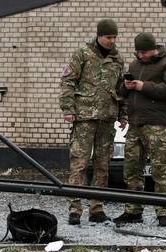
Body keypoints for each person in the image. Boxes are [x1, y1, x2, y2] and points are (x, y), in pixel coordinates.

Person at [59, 19, 127, 225]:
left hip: (107, 119)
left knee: (102, 165)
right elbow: (68, 81)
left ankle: (97, 208)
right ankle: (75, 209)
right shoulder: (83, 53)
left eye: (114, 37)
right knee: (79, 163)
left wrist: (123, 114)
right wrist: (68, 109)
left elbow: (122, 89)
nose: (111, 41)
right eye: (108, 37)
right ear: (99, 35)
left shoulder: (118, 59)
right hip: (85, 118)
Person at [113, 32, 166, 227]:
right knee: (132, 169)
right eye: (138, 52)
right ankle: (133, 211)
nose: (141, 55)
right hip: (135, 125)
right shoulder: (134, 65)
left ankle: (164, 213)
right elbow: (122, 93)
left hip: (156, 124)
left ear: (154, 49)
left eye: (144, 52)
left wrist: (144, 86)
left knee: (160, 169)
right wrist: (126, 86)